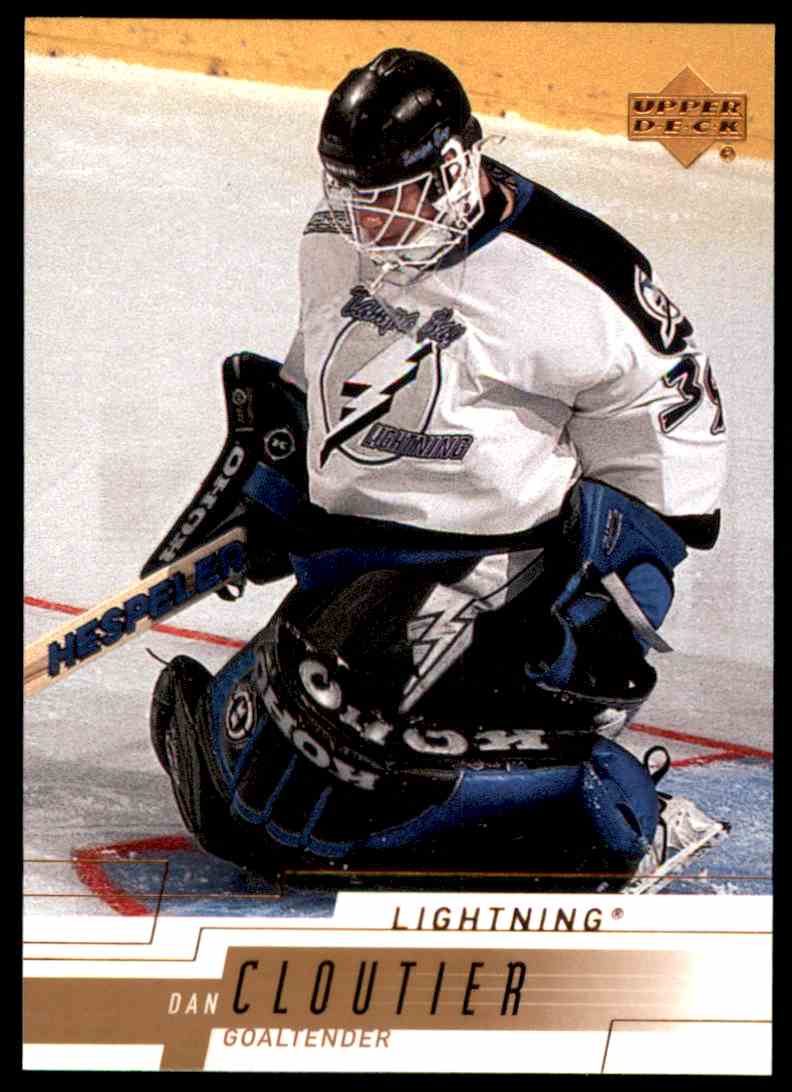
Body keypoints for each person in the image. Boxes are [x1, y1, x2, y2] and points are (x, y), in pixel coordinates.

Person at [143, 48, 728, 890]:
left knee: (328, 767)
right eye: (352, 196)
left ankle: (610, 814)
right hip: (361, 553)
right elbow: (318, 382)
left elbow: (679, 424)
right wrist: (266, 494)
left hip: (494, 562)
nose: (367, 224)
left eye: (388, 199)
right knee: (248, 808)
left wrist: (606, 592)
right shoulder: (336, 236)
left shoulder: (575, 275)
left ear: (454, 169)